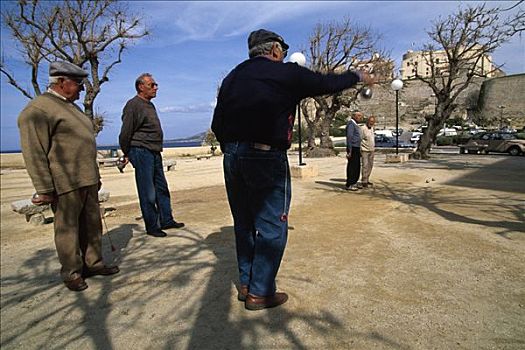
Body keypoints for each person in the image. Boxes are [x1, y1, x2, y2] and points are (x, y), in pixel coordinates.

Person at [211, 29, 374, 310]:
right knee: (272, 225)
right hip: (265, 156)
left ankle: (248, 283)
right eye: (283, 52)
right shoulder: (284, 73)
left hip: (232, 157)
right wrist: (357, 76)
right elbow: (326, 83)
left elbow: (217, 123)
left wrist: (233, 147)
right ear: (275, 50)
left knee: (244, 223)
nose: (284, 56)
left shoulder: (232, 78)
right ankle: (260, 292)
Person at [17, 61, 119, 292]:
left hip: (88, 179)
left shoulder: (73, 108)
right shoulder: (38, 110)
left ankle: (93, 263)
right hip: (65, 182)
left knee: (92, 225)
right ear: (61, 82)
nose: (82, 89)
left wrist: (96, 176)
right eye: (78, 84)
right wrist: (44, 188)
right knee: (68, 229)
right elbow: (34, 152)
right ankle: (72, 272)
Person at [119, 73, 185, 238]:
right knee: (147, 191)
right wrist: (128, 153)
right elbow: (125, 132)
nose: (156, 88)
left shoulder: (149, 105)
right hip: (141, 151)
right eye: (152, 85)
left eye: (156, 85)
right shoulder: (133, 105)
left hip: (154, 151)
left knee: (161, 188)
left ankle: (166, 220)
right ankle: (152, 225)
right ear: (141, 87)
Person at [346, 111, 364, 191]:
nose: (360, 117)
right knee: (352, 166)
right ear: (354, 116)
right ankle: (350, 183)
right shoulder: (351, 124)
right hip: (353, 147)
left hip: (356, 147)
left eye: (361, 116)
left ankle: (355, 182)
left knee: (356, 166)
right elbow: (349, 137)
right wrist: (350, 150)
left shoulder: (355, 124)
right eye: (359, 115)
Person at [360, 115, 376, 188]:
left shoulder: (372, 128)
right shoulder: (362, 128)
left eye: (373, 122)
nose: (371, 123)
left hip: (371, 150)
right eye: (370, 121)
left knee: (370, 165)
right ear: (367, 121)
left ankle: (367, 178)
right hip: (364, 150)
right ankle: (364, 181)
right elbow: (359, 139)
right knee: (365, 165)